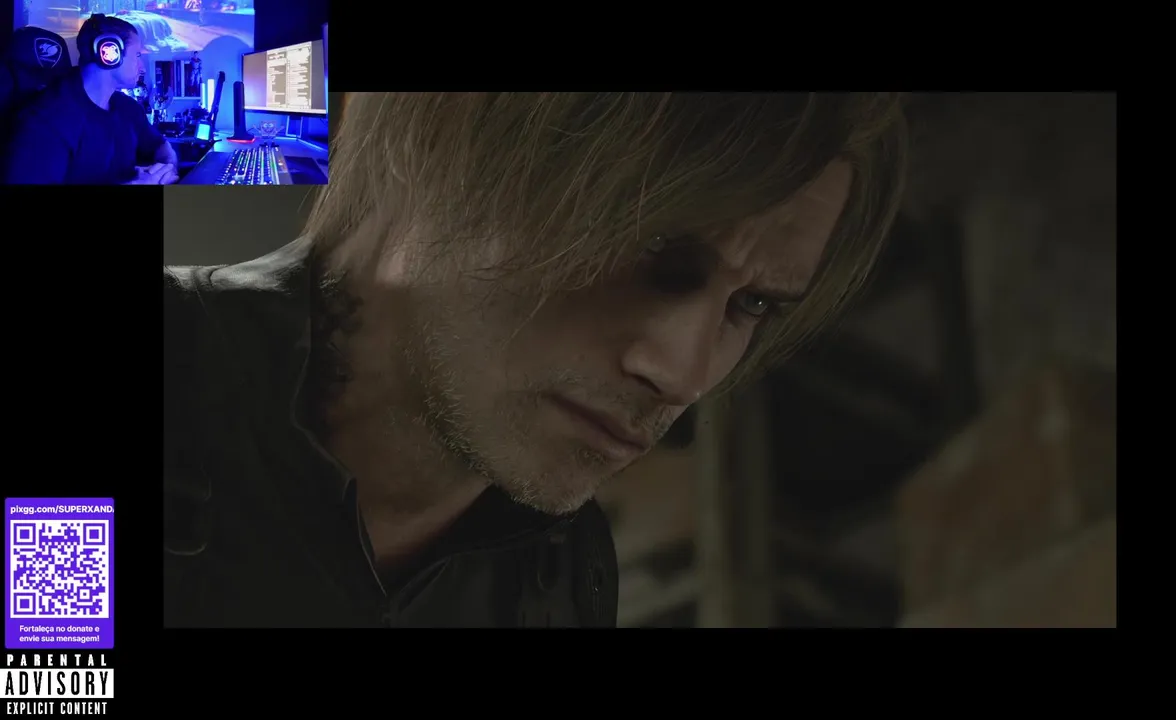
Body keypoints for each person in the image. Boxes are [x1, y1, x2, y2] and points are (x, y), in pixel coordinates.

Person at [163, 92, 908, 627]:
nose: (684, 374)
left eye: (753, 304)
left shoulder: (558, 573)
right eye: (650, 245)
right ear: (447, 143)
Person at [3, 14, 178, 185]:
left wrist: (168, 167)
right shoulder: (46, 121)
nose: (142, 68)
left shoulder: (128, 109)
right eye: (137, 55)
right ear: (110, 52)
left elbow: (160, 146)